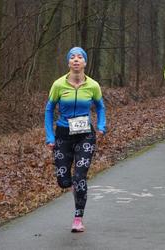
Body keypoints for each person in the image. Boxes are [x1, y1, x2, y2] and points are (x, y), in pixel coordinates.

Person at [45, 47, 106, 232]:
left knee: (80, 176)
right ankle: (75, 187)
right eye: (72, 57)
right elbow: (49, 110)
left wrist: (101, 126)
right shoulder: (58, 85)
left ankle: (78, 218)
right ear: (68, 62)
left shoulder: (93, 85)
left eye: (80, 57)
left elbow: (100, 108)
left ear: (85, 63)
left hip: (85, 134)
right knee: (64, 181)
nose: (76, 60)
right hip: (63, 135)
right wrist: (50, 136)